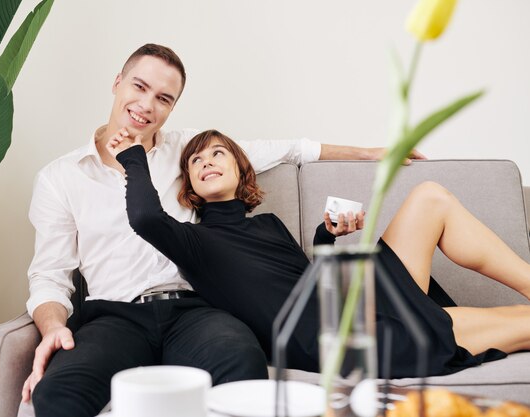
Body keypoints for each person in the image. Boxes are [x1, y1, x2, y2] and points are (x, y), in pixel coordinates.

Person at [21, 44, 417, 417]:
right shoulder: (60, 177)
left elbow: (291, 148)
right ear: (117, 82)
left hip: (196, 311)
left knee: (242, 366)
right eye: (139, 86)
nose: (146, 105)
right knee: (58, 392)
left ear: (173, 107)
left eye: (163, 98)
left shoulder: (187, 152)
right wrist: (53, 326)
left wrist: (366, 153)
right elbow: (49, 276)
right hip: (115, 316)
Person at [107, 128, 530, 379]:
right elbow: (145, 217)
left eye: (218, 152)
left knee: (430, 197)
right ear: (190, 187)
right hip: (341, 346)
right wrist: (134, 156)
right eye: (195, 161)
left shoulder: (268, 225)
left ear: (240, 168)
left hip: (353, 310)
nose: (206, 162)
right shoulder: (193, 243)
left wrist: (326, 236)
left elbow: (319, 289)